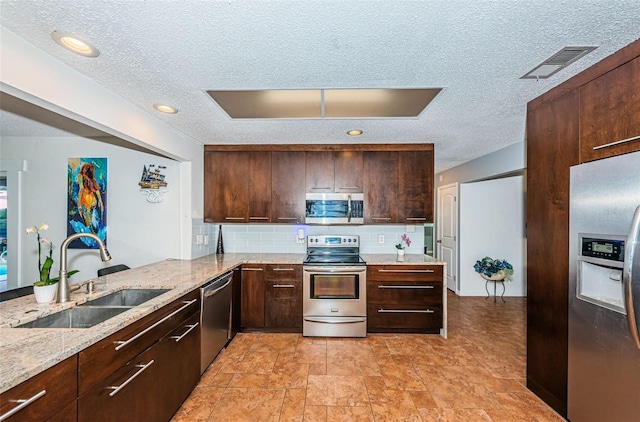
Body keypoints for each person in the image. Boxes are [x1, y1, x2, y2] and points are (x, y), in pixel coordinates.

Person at [77, 162, 104, 232]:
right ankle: (94, 235)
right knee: (93, 221)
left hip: (86, 202)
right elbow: (97, 191)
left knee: (88, 223)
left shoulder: (80, 176)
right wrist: (101, 202)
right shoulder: (92, 179)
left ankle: (91, 236)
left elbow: (81, 189)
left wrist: (79, 205)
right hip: (94, 201)